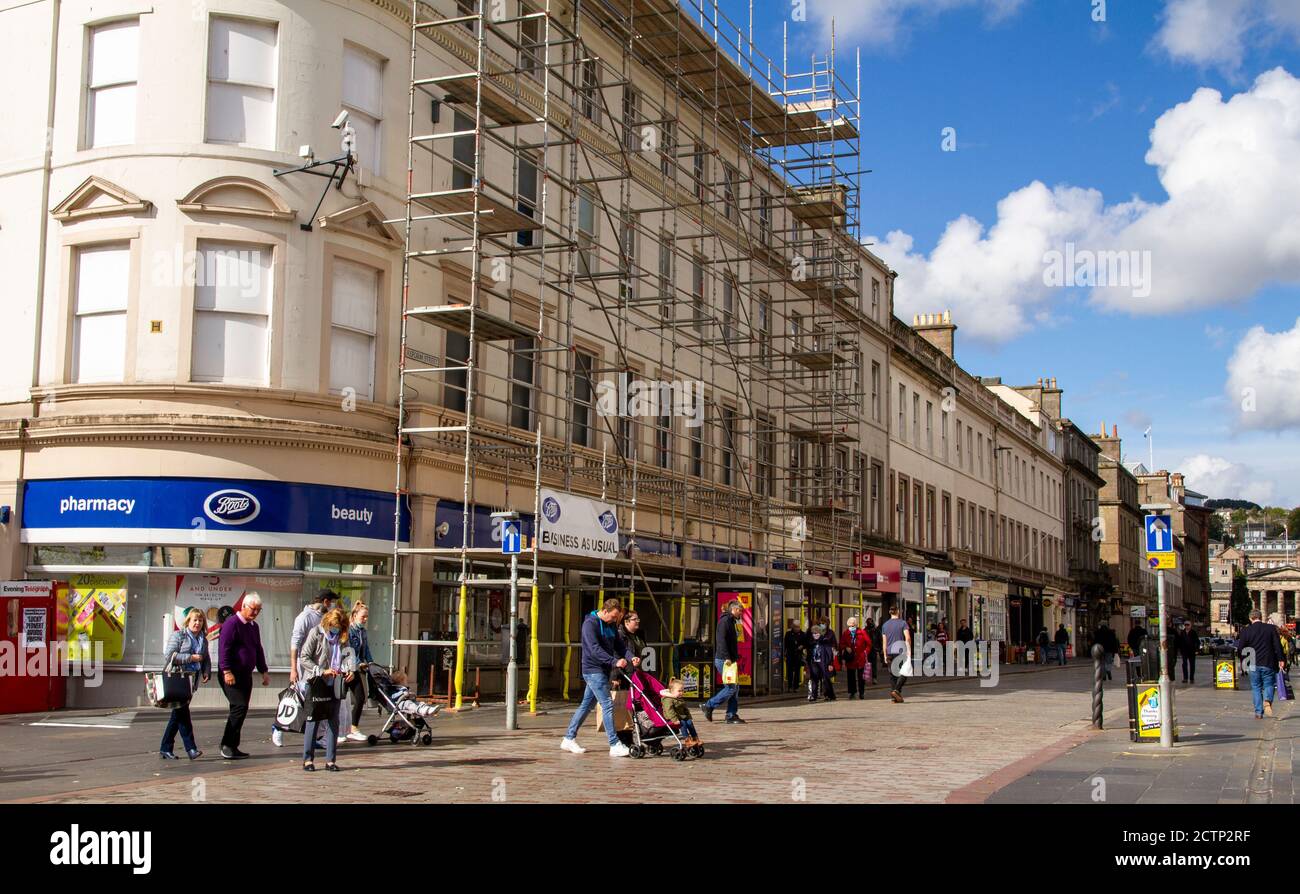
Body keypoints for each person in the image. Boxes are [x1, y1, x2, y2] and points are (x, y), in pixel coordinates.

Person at [560, 597, 635, 756]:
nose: (615, 620)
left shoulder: (611, 625)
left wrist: (630, 657)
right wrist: (614, 661)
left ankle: (568, 738)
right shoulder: (590, 624)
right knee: (607, 704)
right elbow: (594, 649)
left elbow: (619, 646)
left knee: (586, 706)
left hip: (603, 670)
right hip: (593, 670)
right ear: (605, 611)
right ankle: (614, 744)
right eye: (614, 616)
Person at [272, 589, 340, 748]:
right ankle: (279, 727)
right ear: (325, 602)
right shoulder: (304, 617)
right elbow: (295, 643)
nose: (332, 606)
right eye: (331, 602)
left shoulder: (324, 618)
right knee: (297, 699)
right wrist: (293, 668)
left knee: (317, 702)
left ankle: (318, 736)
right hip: (305, 667)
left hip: (321, 669)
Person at [298, 607, 357, 771]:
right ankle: (308, 759)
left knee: (333, 720)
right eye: (333, 626)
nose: (335, 629)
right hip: (317, 682)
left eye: (338, 626)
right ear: (327, 623)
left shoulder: (343, 637)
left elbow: (349, 656)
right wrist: (321, 670)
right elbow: (304, 657)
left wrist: (350, 670)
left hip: (336, 682)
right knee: (313, 719)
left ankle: (331, 760)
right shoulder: (316, 633)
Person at [217, 593, 270, 759]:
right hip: (231, 673)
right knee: (239, 707)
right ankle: (227, 744)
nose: (255, 613)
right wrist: (226, 671)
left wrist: (264, 670)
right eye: (253, 609)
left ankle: (233, 745)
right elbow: (223, 648)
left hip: (246, 674)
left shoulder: (253, 626)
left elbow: (258, 649)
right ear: (244, 606)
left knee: (241, 708)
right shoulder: (231, 624)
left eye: (258, 610)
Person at [159, 608, 211, 760]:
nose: (197, 623)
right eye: (195, 620)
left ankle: (165, 747)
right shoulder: (179, 635)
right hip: (177, 680)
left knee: (177, 715)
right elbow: (169, 656)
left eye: (200, 620)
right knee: (183, 714)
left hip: (191, 682)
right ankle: (191, 748)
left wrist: (206, 671)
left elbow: (205, 658)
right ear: (188, 621)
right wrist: (190, 658)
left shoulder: (203, 639)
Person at [1236, 609, 1285, 719]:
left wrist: (1244, 660)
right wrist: (1281, 659)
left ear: (1250, 618)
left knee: (1256, 687)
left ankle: (1258, 712)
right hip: (1269, 661)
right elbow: (1278, 646)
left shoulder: (1246, 631)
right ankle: (1267, 700)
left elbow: (1241, 648)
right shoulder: (1271, 628)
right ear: (1261, 617)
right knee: (1269, 684)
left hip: (1252, 662)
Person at [702, 600, 745, 723]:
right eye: (740, 610)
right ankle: (709, 705)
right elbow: (721, 641)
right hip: (724, 660)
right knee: (731, 687)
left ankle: (731, 715)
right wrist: (727, 658)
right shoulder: (725, 621)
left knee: (734, 687)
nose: (741, 613)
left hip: (729, 660)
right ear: (734, 610)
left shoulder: (731, 621)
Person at [345, 601, 373, 742]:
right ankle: (337, 730)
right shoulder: (349, 631)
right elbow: (348, 650)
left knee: (360, 698)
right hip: (347, 668)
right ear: (355, 615)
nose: (365, 619)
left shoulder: (363, 631)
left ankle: (353, 728)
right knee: (339, 700)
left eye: (367, 617)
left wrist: (371, 662)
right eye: (363, 617)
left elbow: (366, 649)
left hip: (358, 669)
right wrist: (358, 663)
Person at [881, 604, 912, 703]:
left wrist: (885, 655)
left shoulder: (885, 625)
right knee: (905, 672)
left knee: (893, 675)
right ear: (898, 611)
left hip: (889, 652)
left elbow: (884, 642)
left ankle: (894, 697)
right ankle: (896, 690)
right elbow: (907, 638)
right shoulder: (903, 623)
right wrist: (909, 650)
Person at [660, 678, 702, 748]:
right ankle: (687, 740)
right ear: (671, 691)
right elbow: (669, 710)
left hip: (680, 715)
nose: (681, 693)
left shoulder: (679, 699)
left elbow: (685, 709)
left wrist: (689, 717)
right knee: (683, 723)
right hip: (671, 717)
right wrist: (674, 719)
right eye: (679, 691)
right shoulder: (668, 699)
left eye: (682, 691)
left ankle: (695, 738)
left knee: (689, 722)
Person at [838, 616, 871, 699]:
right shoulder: (846, 633)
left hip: (860, 658)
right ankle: (852, 692)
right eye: (850, 626)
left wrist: (865, 652)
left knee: (861, 677)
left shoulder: (862, 632)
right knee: (851, 676)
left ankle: (861, 692)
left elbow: (869, 644)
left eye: (853, 626)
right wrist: (846, 647)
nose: (851, 627)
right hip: (850, 658)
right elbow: (841, 644)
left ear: (856, 625)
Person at [807, 619, 837, 701]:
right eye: (813, 633)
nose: (815, 635)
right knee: (814, 678)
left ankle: (830, 695)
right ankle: (813, 695)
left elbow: (829, 653)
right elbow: (809, 653)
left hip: (824, 662)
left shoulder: (825, 641)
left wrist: (830, 664)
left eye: (817, 633)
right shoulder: (811, 643)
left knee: (826, 679)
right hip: (814, 662)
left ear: (820, 633)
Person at [783, 620, 805, 692]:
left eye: (798, 627)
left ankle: (796, 686)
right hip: (790, 655)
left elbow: (806, 643)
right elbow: (785, 644)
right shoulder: (788, 634)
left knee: (797, 672)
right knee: (789, 671)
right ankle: (789, 686)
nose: (796, 628)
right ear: (792, 626)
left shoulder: (802, 634)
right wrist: (784, 654)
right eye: (795, 627)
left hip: (798, 655)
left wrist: (802, 646)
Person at [864, 617, 881, 685]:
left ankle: (874, 678)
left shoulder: (876, 631)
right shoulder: (865, 631)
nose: (870, 624)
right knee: (867, 664)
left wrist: (879, 649)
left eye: (871, 622)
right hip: (867, 650)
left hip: (873, 649)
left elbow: (880, 640)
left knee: (873, 664)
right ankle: (867, 678)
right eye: (869, 623)